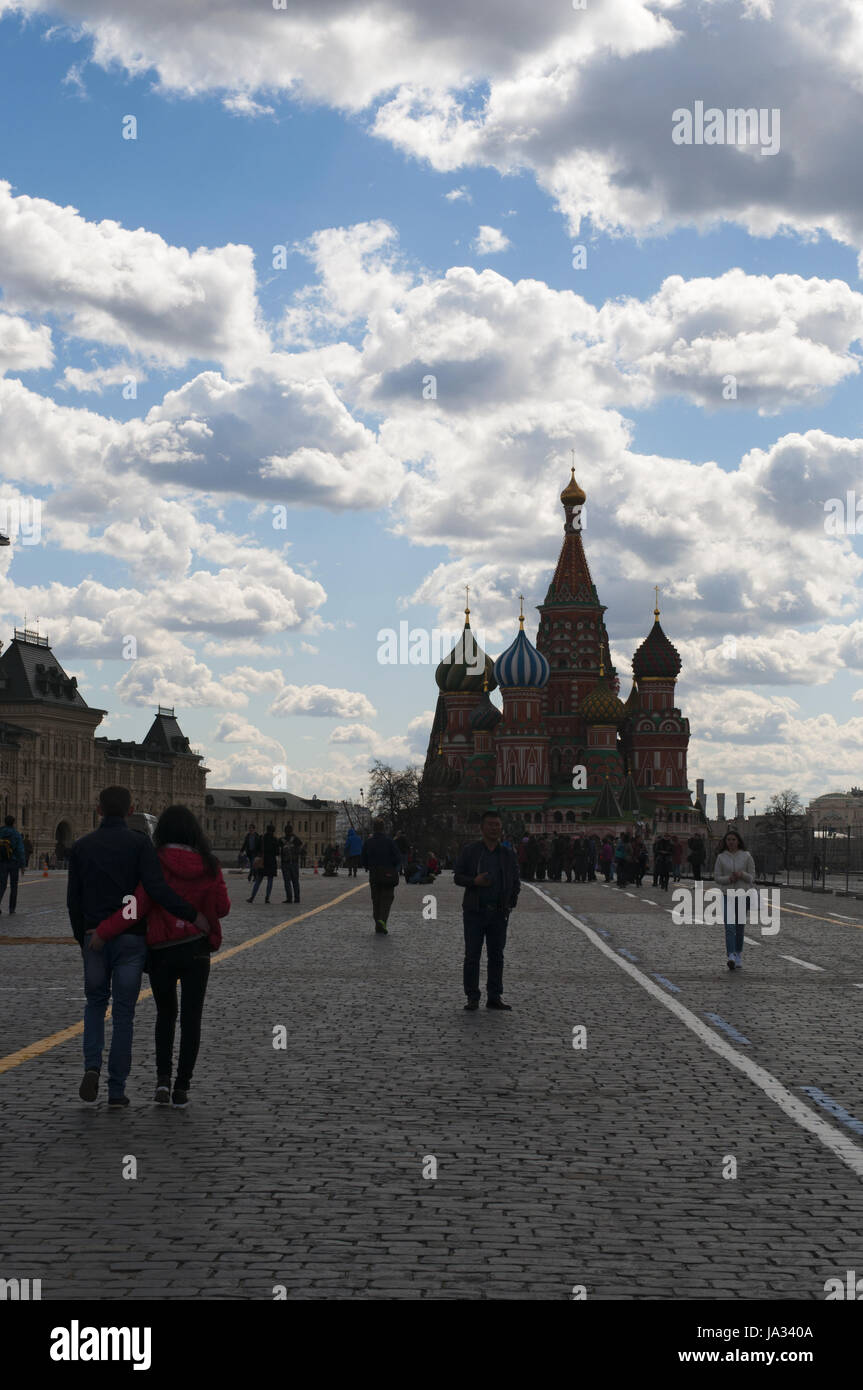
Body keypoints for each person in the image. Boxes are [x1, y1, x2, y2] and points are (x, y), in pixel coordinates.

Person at [67, 786, 211, 1108]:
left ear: (99, 810)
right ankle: (116, 1090)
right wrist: (192, 914)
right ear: (131, 810)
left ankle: (92, 1065)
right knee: (123, 1013)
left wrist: (84, 938)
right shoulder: (139, 844)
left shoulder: (81, 846)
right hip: (131, 939)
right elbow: (155, 890)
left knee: (94, 1004)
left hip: (93, 936)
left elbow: (73, 901)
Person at [95, 804, 230, 1108]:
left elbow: (137, 907)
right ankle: (183, 1087)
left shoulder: (155, 862)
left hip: (162, 951)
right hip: (197, 949)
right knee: (192, 1019)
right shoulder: (210, 864)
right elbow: (222, 908)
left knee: (165, 1016)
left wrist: (104, 931)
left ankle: (162, 1082)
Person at [454, 810, 520, 1012]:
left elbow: (515, 880)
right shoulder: (471, 851)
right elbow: (457, 876)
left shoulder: (507, 854)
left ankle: (494, 996)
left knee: (496, 955)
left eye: (497, 825)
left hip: (499, 913)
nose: (494, 828)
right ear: (482, 828)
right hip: (475, 910)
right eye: (490, 825)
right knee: (472, 955)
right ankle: (472, 996)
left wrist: (511, 901)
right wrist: (474, 881)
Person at [713, 829, 756, 971]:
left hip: (743, 895)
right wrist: (729, 879)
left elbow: (752, 877)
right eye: (728, 840)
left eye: (733, 840)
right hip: (727, 895)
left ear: (738, 841)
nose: (731, 842)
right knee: (729, 926)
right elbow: (717, 877)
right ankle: (730, 954)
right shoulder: (721, 857)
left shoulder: (746, 856)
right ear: (725, 842)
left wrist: (741, 874)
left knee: (739, 927)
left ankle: (738, 953)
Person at [361, 819, 401, 934]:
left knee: (376, 899)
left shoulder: (369, 842)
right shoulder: (389, 841)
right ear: (383, 828)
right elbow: (397, 857)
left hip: (374, 873)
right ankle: (382, 920)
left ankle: (378, 923)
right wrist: (392, 865)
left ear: (374, 828)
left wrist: (368, 866)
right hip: (387, 873)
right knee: (387, 898)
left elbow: (363, 859)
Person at [0, 814, 26, 915]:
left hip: (2, 862)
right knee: (14, 886)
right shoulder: (16, 834)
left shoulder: (1, 831)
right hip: (14, 862)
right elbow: (20, 850)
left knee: (1, 885)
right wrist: (23, 865)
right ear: (13, 823)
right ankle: (11, 908)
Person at [248, 824, 280, 902]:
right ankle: (267, 898)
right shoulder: (275, 839)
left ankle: (252, 897)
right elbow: (277, 852)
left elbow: (256, 848)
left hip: (263, 860)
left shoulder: (262, 838)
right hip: (271, 861)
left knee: (259, 880)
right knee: (270, 880)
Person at [281, 825, 303, 903]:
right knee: (295, 881)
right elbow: (301, 848)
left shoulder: (282, 840)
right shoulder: (296, 839)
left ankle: (289, 898)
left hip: (285, 863)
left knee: (287, 882)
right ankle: (297, 898)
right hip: (294, 862)